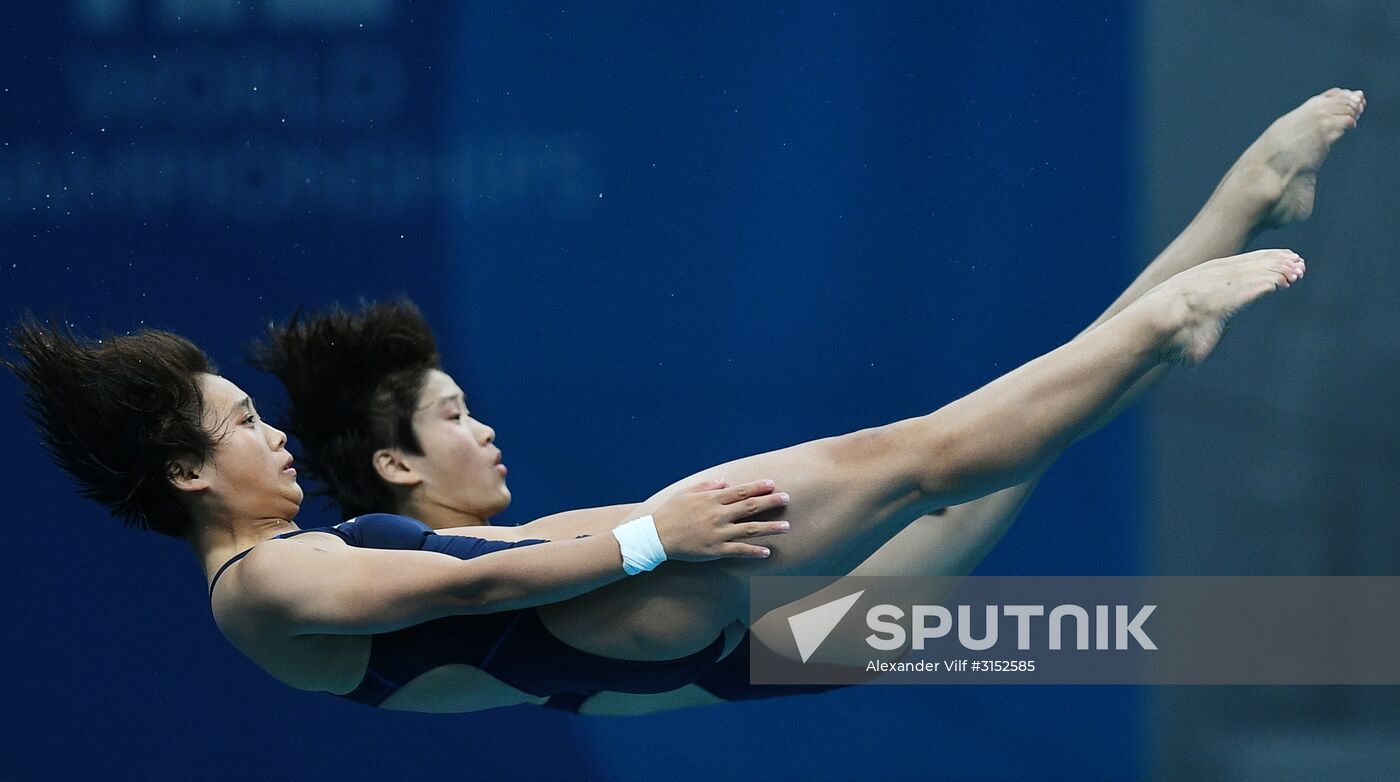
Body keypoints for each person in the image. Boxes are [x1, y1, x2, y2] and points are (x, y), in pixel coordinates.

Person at [3, 89, 1354, 715]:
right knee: (934, 448)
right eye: (239, 424)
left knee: (996, 453)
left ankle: (1223, 227)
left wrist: (657, 554)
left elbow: (483, 581)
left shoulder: (319, 552)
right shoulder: (260, 589)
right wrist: (665, 533)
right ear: (185, 473)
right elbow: (468, 593)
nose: (269, 432)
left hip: (722, 654)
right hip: (690, 619)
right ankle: (1189, 291)